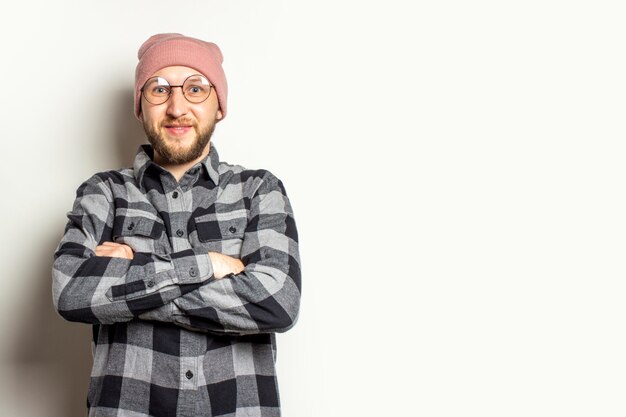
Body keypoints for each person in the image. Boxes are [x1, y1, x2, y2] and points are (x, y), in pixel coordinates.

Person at [52, 33, 301, 417]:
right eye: (159, 89)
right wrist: (209, 266)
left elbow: (276, 302)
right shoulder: (104, 191)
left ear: (219, 106)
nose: (176, 106)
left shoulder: (259, 190)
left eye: (196, 89)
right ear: (139, 106)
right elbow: (70, 291)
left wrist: (130, 278)